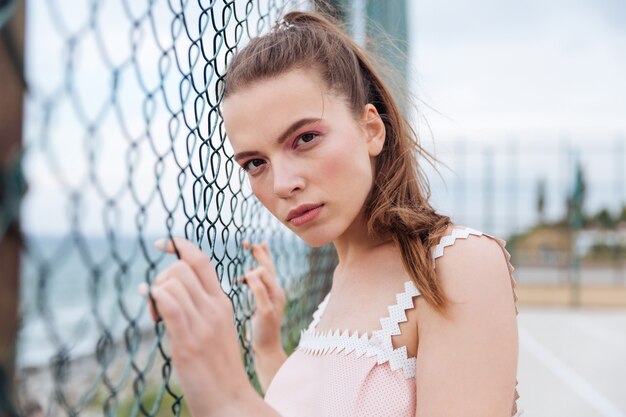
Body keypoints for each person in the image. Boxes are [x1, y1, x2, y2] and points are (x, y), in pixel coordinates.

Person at [143, 10, 521, 417]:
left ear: (371, 130)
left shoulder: (458, 264)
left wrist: (230, 399)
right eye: (255, 163)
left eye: (305, 138)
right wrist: (268, 348)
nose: (282, 184)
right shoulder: (340, 280)